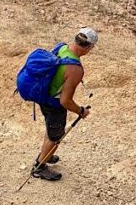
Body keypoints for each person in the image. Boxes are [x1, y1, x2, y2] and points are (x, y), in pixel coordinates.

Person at [32, 28, 97, 182]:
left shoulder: (62, 47)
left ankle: (45, 155)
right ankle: (39, 167)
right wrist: (81, 111)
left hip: (44, 95)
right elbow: (65, 101)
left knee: (51, 130)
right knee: (55, 137)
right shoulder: (75, 69)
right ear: (88, 47)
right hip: (53, 103)